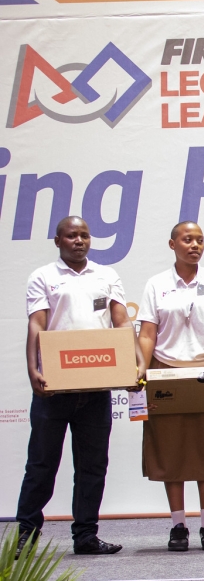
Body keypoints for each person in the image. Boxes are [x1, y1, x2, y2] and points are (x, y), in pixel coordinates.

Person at [16, 217, 132, 558]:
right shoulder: (43, 277)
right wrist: (32, 368)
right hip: (54, 387)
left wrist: (132, 363)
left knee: (93, 466)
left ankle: (85, 536)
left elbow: (121, 321)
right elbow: (37, 324)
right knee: (41, 464)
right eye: (71, 235)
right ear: (58, 241)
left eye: (83, 235)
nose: (78, 240)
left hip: (96, 387)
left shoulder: (106, 276)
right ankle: (26, 534)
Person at [136, 222, 204, 552]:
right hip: (166, 373)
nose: (195, 245)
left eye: (200, 240)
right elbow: (146, 334)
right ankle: (178, 525)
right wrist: (140, 371)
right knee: (171, 450)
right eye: (187, 240)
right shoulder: (156, 285)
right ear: (172, 244)